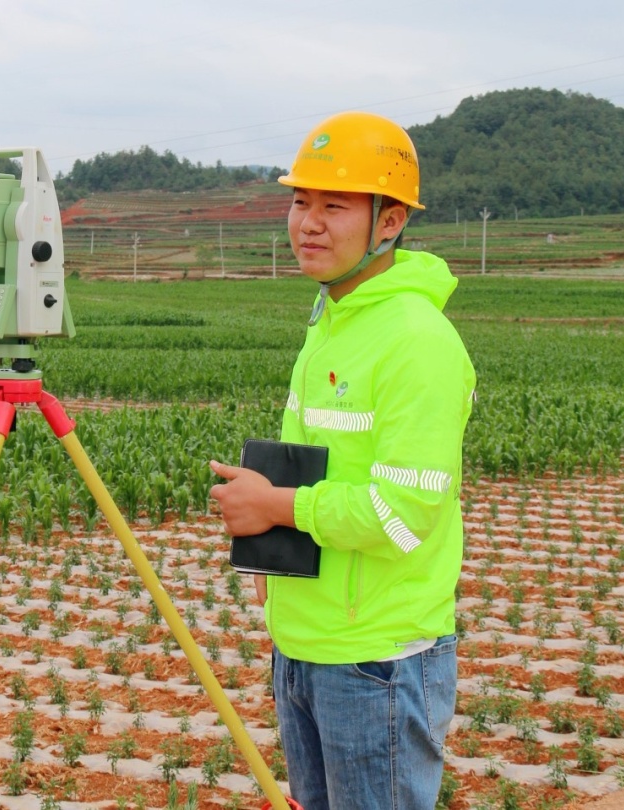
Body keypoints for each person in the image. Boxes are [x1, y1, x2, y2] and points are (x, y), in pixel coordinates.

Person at [209, 111, 476, 810]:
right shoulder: (329, 321)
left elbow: (403, 515)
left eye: (334, 206)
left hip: (376, 659)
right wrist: (270, 552)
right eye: (301, 202)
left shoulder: (417, 340)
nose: (308, 223)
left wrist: (275, 508)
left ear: (390, 222)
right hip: (303, 645)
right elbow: (321, 462)